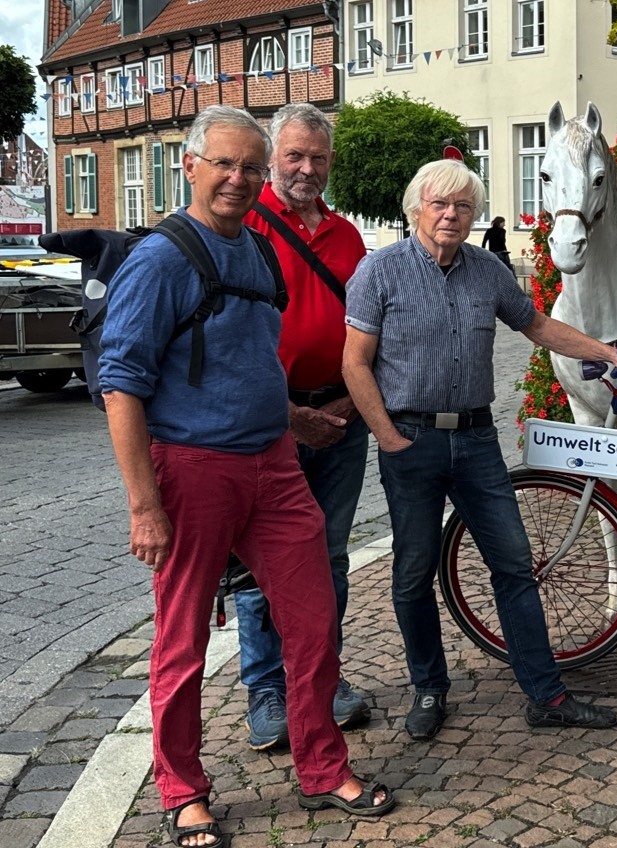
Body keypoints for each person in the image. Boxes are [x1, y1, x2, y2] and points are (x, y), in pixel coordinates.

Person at [100, 106, 392, 848]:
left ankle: (322, 768)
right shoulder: (163, 258)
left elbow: (254, 362)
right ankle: (182, 789)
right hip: (193, 469)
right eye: (225, 164)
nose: (239, 178)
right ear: (190, 166)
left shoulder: (257, 253)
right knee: (183, 636)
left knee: (314, 617)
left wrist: (294, 420)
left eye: (250, 167)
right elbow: (121, 383)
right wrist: (144, 506)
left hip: (274, 464)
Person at [342, 159, 617, 740]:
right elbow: (354, 362)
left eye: (463, 206)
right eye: (439, 204)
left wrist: (605, 352)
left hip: (477, 441)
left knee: (514, 566)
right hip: (413, 440)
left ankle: (546, 695)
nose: (451, 215)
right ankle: (430, 688)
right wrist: (389, 439)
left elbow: (539, 326)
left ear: (475, 215)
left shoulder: (487, 270)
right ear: (416, 208)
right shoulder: (378, 272)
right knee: (413, 573)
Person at [234, 103, 370, 751]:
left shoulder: (347, 237)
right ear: (273, 157)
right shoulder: (245, 224)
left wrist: (347, 400)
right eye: (294, 156)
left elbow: (367, 329)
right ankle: (266, 687)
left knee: (330, 556)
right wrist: (289, 417)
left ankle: (321, 678)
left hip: (342, 415)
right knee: (264, 559)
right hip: (271, 422)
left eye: (318, 157)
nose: (306, 168)